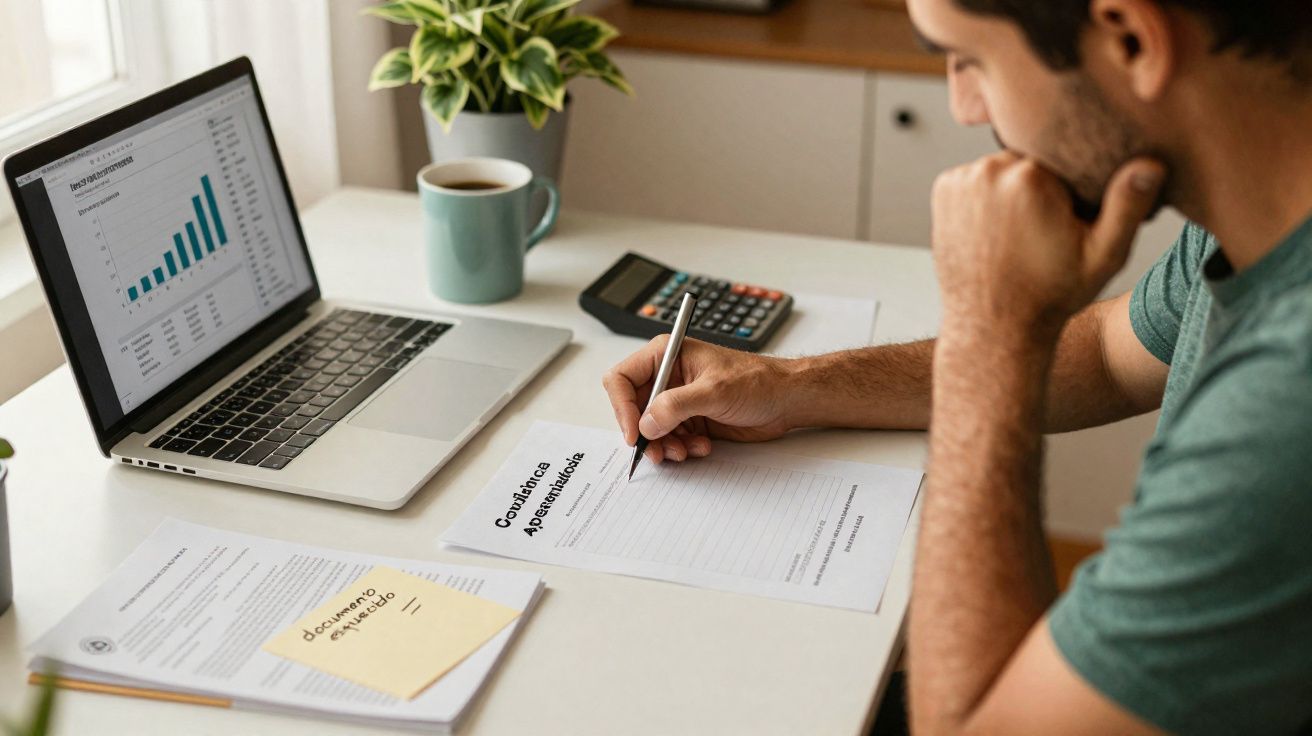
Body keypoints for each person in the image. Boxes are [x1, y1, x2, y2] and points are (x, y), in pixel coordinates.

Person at [602, 0, 1312, 733]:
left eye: (970, 60)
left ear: (1132, 37)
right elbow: (1107, 353)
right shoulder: (1262, 209)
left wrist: (988, 325)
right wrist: (789, 388)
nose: (964, 107)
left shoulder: (1290, 393)